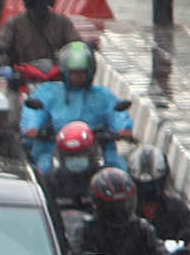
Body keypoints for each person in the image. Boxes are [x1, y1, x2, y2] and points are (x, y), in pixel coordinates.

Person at [20, 41, 131, 173]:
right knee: (43, 169)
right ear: (65, 72)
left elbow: (116, 112)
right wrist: (32, 128)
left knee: (118, 170)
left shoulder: (103, 95)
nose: (78, 77)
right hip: (55, 150)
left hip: (95, 150)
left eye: (82, 72)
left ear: (91, 71)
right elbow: (35, 111)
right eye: (74, 73)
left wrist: (123, 129)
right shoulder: (49, 92)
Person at [76, 166, 176, 255]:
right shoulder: (87, 231)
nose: (120, 210)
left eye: (124, 203)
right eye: (115, 206)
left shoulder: (141, 228)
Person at [0, 0, 81, 81]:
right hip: (22, 80)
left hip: (55, 80)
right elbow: (0, 47)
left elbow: (76, 45)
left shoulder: (63, 23)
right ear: (28, 0)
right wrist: (2, 67)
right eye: (36, 0)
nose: (41, 4)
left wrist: (79, 56)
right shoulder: (14, 24)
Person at [126, 145, 190, 243]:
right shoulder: (125, 211)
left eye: (151, 185)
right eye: (143, 185)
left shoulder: (178, 209)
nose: (147, 190)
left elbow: (188, 241)